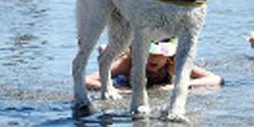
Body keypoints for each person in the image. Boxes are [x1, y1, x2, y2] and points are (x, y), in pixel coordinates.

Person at [85, 39, 223, 91]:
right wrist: (117, 89)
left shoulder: (173, 62)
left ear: (169, 56)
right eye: (149, 53)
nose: (153, 58)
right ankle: (108, 50)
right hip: (128, 61)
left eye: (159, 54)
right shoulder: (128, 63)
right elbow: (87, 81)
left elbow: (216, 79)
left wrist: (179, 86)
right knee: (111, 54)